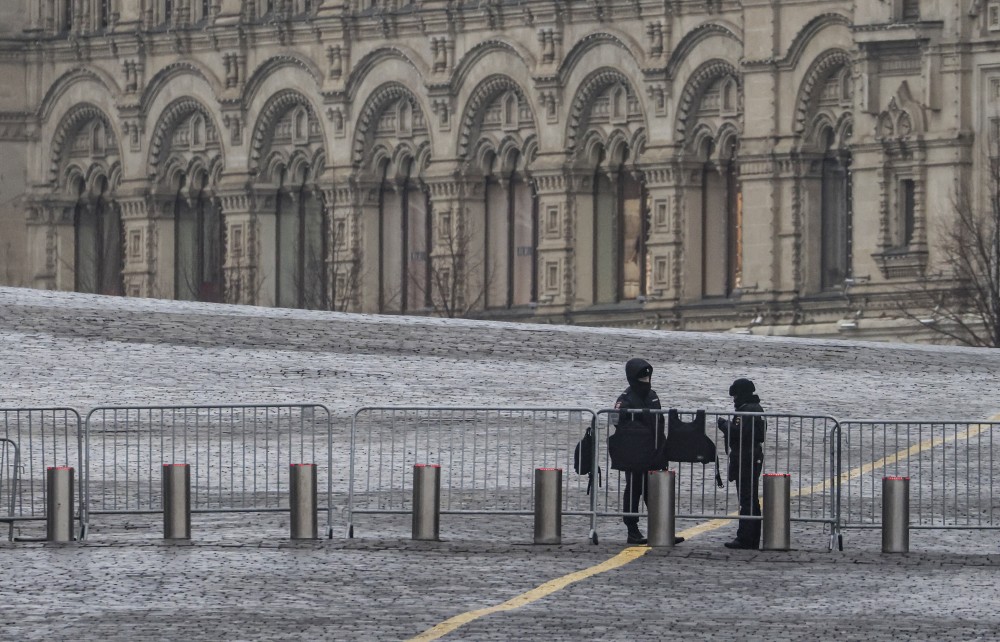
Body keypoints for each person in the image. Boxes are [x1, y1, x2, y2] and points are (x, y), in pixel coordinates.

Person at [613, 358, 684, 546]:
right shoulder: (625, 398)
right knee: (634, 489)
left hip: (654, 451)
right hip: (635, 453)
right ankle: (632, 529)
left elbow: (659, 422)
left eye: (647, 375)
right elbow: (615, 419)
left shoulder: (653, 395)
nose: (645, 379)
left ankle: (662, 528)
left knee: (654, 491)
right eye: (642, 376)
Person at [716, 378, 765, 549]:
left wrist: (724, 425)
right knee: (751, 498)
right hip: (750, 456)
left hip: (746, 457)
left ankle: (745, 537)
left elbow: (740, 433)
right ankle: (753, 537)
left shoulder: (747, 410)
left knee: (746, 498)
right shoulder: (754, 408)